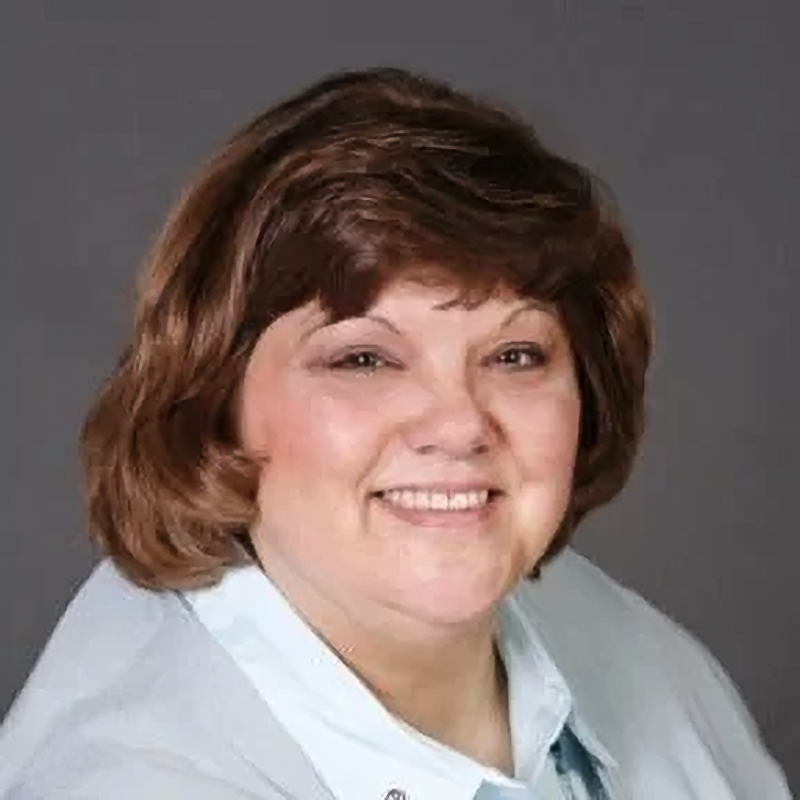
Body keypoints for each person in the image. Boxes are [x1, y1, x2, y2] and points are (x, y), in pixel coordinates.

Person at [0, 67, 791, 800]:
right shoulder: (123, 779)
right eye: (365, 358)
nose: (458, 424)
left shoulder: (615, 638)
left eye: (515, 355)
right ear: (214, 403)